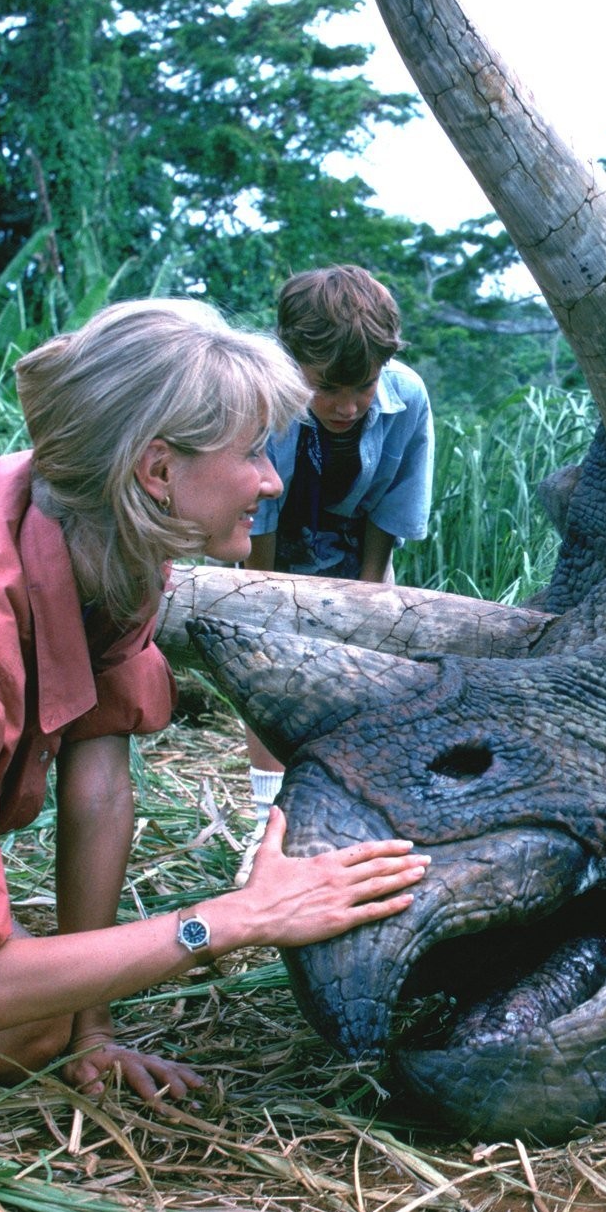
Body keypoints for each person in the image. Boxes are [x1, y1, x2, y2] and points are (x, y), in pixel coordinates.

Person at [0, 299, 430, 1144]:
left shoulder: (103, 532)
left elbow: (99, 785)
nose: (271, 481)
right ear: (157, 470)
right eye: (251, 453)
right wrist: (235, 918)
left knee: (35, 1029)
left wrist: (93, 1031)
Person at [241, 266, 434, 819]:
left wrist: (369, 600)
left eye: (363, 387)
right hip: (265, 545)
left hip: (351, 544)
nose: (348, 407)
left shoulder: (408, 395)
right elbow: (255, 519)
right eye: (326, 388)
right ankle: (268, 814)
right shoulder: (260, 396)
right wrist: (267, 605)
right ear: (292, 362)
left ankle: (348, 802)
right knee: (266, 667)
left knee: (364, 667)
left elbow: (395, 506)